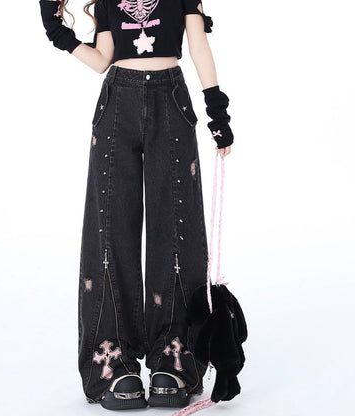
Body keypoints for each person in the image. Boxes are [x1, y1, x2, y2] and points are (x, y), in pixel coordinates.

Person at [39, 0, 234, 410]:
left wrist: (216, 108)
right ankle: (113, 365)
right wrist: (60, 35)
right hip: (117, 101)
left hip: (172, 97)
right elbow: (102, 60)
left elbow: (198, 44)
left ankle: (173, 361)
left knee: (177, 228)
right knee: (110, 229)